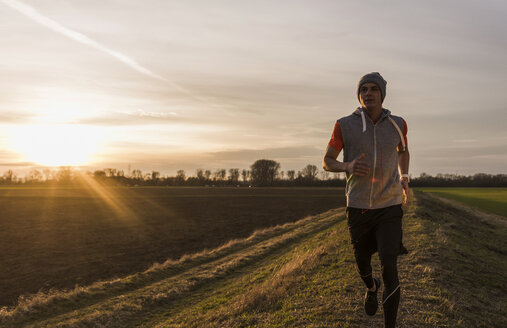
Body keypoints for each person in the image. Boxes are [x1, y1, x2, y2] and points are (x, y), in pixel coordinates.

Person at [322, 72, 410, 328]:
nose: (368, 93)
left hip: (390, 205)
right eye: (363, 90)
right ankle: (371, 287)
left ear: (382, 94)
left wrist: (404, 176)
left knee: (389, 265)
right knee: (362, 263)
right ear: (359, 95)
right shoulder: (344, 124)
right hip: (358, 205)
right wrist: (347, 165)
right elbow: (327, 162)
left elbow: (403, 150)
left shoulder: (398, 124)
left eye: (373, 89)